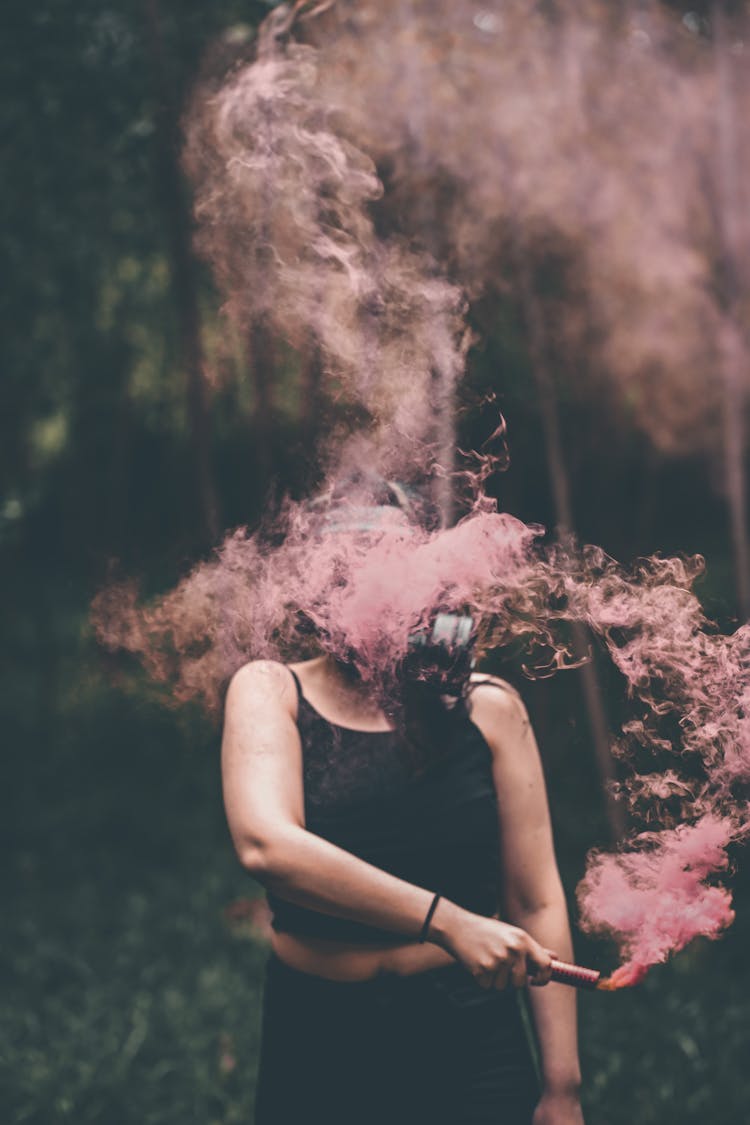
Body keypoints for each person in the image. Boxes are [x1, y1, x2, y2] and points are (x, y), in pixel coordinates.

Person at [221, 487, 584, 1125]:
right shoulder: (268, 689)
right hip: (319, 1035)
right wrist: (451, 922)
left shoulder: (490, 707)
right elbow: (267, 846)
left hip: (473, 1039)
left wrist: (563, 1088)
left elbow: (537, 902)